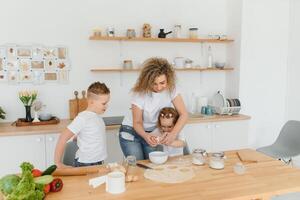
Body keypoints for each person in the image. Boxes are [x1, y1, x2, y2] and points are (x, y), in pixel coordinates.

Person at [119, 57, 188, 160]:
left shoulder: (172, 89)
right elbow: (137, 122)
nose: (159, 88)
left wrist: (173, 134)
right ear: (147, 81)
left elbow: (184, 114)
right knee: (138, 166)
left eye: (162, 83)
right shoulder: (139, 93)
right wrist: (146, 137)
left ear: (168, 79)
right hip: (132, 131)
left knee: (151, 165)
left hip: (152, 133)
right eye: (154, 83)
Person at [54, 82, 110, 168]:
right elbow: (63, 137)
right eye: (104, 103)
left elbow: (90, 134)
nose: (107, 106)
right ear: (91, 102)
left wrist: (79, 137)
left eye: (107, 102)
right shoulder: (83, 118)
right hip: (85, 164)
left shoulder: (97, 117)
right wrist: (57, 163)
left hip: (99, 163)